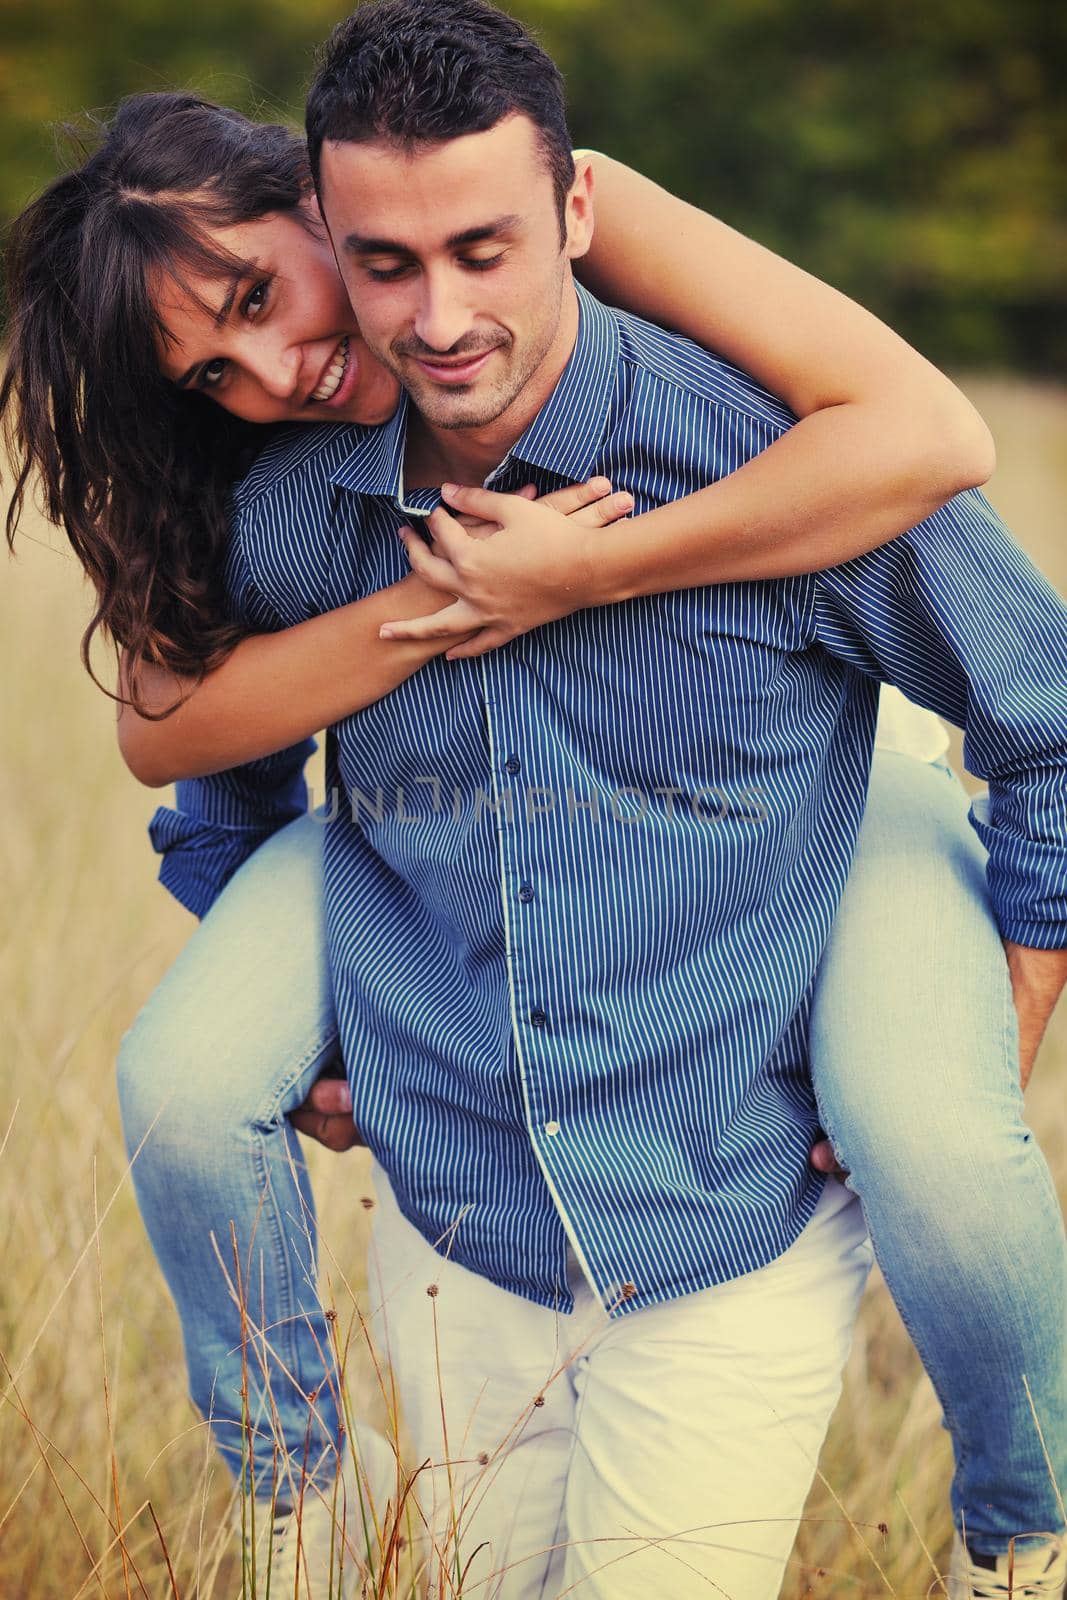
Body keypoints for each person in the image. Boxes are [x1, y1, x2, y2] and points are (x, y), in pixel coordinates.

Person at [1, 30, 1063, 1600]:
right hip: (472, 1216)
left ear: (561, 212)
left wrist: (1031, 966)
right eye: (385, 267)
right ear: (344, 230)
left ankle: (1025, 1528)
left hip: (803, 872)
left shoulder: (757, 433)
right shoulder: (287, 501)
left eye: (253, 305)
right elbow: (196, 745)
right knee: (183, 1079)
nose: (294, 366)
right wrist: (319, 1007)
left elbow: (986, 574)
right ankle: (293, 1495)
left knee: (942, 1149)